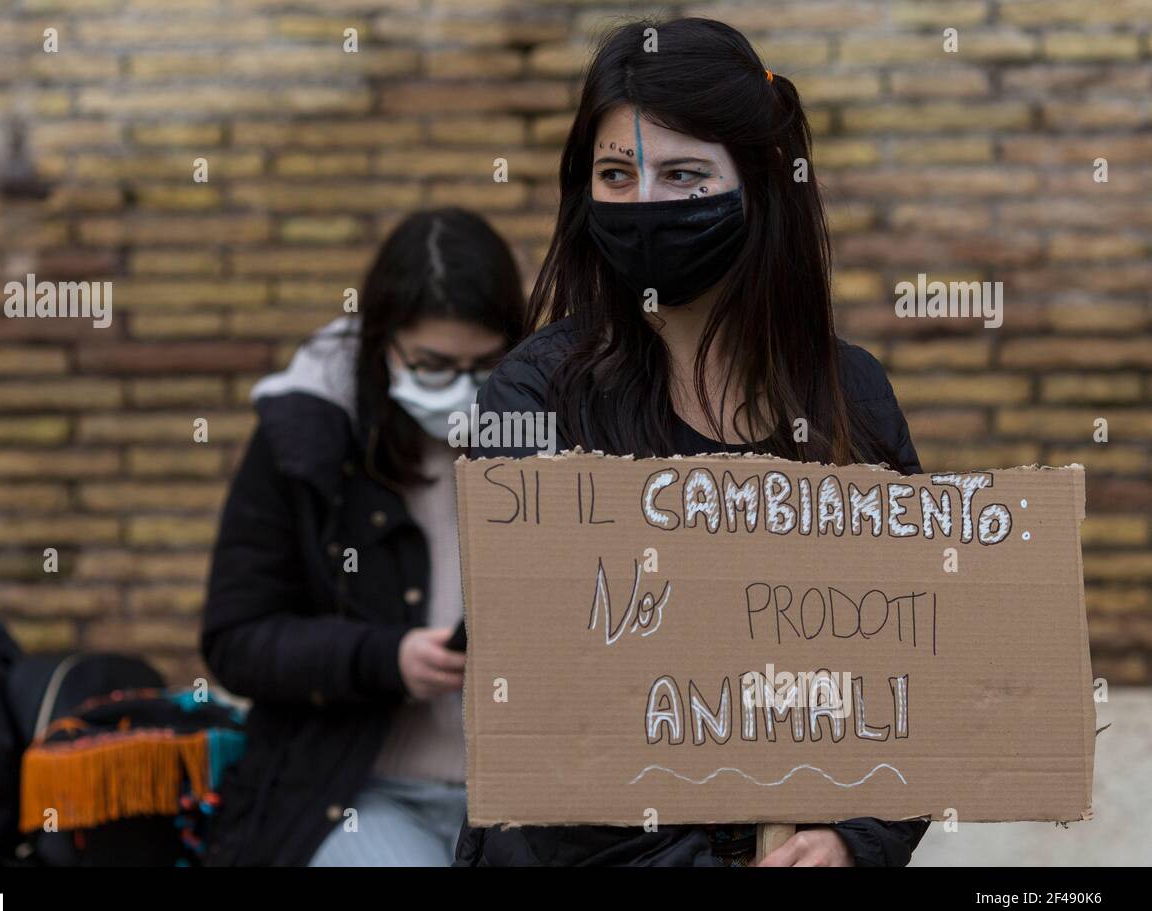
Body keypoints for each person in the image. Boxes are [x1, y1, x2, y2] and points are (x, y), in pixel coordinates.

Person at [454, 17, 929, 867]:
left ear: (760, 187)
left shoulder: (850, 397)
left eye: (682, 176)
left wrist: (850, 840)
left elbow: (915, 671)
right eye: (616, 174)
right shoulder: (535, 396)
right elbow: (543, 697)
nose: (644, 206)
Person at [201, 208, 524, 866]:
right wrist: (385, 658)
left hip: (525, 803)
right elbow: (236, 639)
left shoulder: (549, 418)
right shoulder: (308, 439)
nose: (461, 389)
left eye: (485, 365)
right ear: (382, 341)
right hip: (357, 794)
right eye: (432, 365)